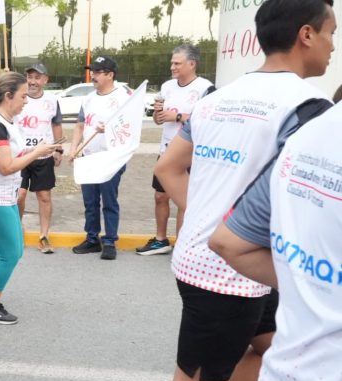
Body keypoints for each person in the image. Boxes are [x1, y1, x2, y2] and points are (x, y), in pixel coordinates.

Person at [128, 1, 335, 381]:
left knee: (276, 348)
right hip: (230, 273)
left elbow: (166, 169)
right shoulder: (309, 108)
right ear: (307, 35)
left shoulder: (216, 98)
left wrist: (205, 212)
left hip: (208, 260)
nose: (333, 47)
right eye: (331, 33)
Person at [208, 97, 338, 381]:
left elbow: (227, 242)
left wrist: (306, 280)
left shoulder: (310, 135)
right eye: (329, 38)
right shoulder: (305, 113)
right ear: (306, 38)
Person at [0, 72, 58, 325]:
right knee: (10, 254)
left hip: (4, 197)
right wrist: (38, 153)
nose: (26, 101)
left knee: (11, 250)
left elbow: (11, 153)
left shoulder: (8, 122)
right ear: (8, 96)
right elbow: (6, 167)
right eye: (22, 96)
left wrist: (35, 149)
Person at [136, 44, 212, 257]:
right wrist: (158, 116)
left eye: (177, 63)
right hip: (166, 149)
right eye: (172, 62)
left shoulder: (205, 88)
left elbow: (208, 120)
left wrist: (177, 117)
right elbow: (158, 119)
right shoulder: (167, 87)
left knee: (183, 200)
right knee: (160, 196)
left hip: (190, 152)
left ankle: (182, 243)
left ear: (192, 64)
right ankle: (161, 240)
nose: (172, 67)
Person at [68, 56, 131, 261]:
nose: (92, 76)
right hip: (88, 157)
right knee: (90, 201)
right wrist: (74, 148)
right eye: (92, 72)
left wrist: (111, 128)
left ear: (110, 75)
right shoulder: (88, 98)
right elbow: (79, 125)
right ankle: (92, 238)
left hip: (111, 158)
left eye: (97, 72)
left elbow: (131, 126)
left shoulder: (125, 96)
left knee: (109, 201)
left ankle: (110, 240)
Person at [14, 63, 64, 253]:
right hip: (21, 155)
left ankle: (43, 236)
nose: (33, 81)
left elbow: (56, 125)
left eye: (37, 77)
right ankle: (17, 231)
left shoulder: (52, 100)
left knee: (44, 197)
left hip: (44, 156)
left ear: (45, 80)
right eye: (30, 77)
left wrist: (58, 149)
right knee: (19, 195)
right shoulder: (19, 96)